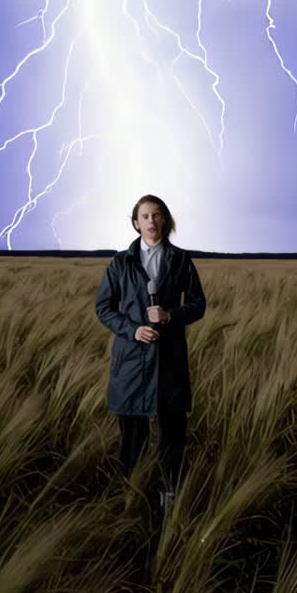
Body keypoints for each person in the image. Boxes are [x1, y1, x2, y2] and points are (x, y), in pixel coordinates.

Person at [95, 194, 206, 513]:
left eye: (157, 215)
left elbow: (198, 304)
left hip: (169, 360)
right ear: (136, 223)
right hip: (132, 361)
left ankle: (168, 501)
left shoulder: (181, 260)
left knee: (172, 436)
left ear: (164, 220)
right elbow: (104, 308)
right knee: (133, 438)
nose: (151, 221)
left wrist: (171, 316)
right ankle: (133, 499)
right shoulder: (121, 263)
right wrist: (132, 330)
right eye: (145, 216)